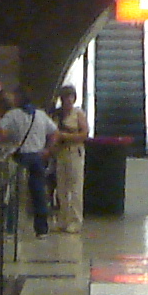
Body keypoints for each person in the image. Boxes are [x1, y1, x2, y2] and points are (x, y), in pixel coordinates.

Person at [0, 90, 57, 238]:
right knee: (39, 193)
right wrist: (48, 149)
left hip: (20, 157)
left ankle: (11, 228)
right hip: (38, 157)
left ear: (19, 98)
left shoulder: (12, 115)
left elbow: (1, 132)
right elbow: (54, 132)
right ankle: (41, 229)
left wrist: (10, 139)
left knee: (13, 193)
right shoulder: (41, 115)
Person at [51, 84, 88, 234]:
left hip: (74, 152)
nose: (68, 100)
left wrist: (66, 136)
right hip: (61, 153)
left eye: (71, 97)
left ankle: (75, 220)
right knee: (62, 188)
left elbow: (84, 134)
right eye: (66, 97)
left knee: (75, 188)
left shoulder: (78, 114)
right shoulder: (57, 115)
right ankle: (63, 219)